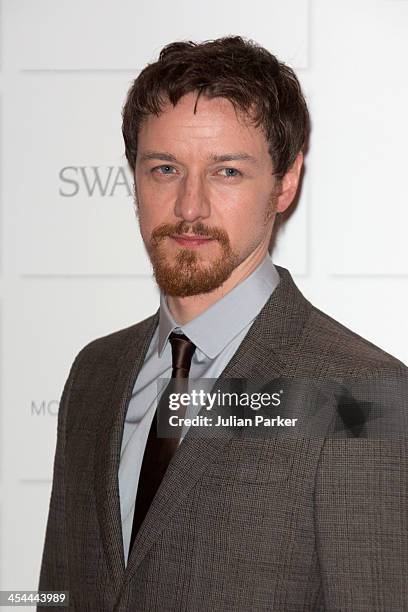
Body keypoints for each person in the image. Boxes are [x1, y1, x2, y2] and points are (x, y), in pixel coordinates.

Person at [38, 36, 408, 611]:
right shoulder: (94, 373)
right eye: (164, 168)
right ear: (134, 178)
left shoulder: (362, 393)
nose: (190, 206)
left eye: (227, 172)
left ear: (285, 182)